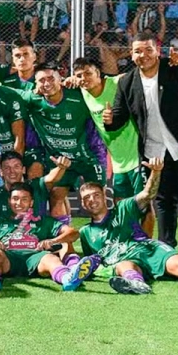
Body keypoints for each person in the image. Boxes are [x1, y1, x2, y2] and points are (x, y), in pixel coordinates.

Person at [104, 32, 178, 266]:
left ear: (157, 50)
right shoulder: (126, 82)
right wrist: (109, 120)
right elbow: (119, 119)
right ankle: (167, 249)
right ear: (131, 55)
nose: (143, 55)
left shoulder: (177, 69)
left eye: (148, 50)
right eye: (137, 51)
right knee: (163, 202)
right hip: (154, 153)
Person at [78, 158, 178, 296]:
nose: (92, 200)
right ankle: (137, 284)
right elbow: (94, 262)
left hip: (149, 249)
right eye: (86, 198)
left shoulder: (123, 208)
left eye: (96, 195)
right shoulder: (85, 233)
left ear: (104, 196)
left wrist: (156, 172)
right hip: (127, 260)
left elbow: (147, 195)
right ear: (83, 204)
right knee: (124, 266)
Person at [71, 57, 150, 232]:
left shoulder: (117, 82)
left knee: (143, 204)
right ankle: (129, 243)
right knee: (121, 204)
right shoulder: (83, 91)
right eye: (79, 75)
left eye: (88, 73)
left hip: (136, 153)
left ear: (98, 73)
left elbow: (139, 75)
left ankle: (148, 247)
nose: (84, 78)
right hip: (117, 161)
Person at [21, 64, 107, 222]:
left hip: (90, 156)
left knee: (96, 198)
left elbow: (100, 86)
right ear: (36, 85)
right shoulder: (32, 99)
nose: (46, 83)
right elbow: (3, 93)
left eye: (50, 78)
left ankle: (105, 237)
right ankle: (65, 243)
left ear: (60, 79)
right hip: (62, 160)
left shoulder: (78, 94)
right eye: (41, 80)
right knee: (56, 195)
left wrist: (78, 80)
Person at [0, 182, 94, 291]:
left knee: (50, 258)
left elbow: (73, 233)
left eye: (24, 199)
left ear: (31, 202)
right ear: (9, 201)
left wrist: (53, 241)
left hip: (35, 257)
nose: (19, 203)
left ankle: (67, 279)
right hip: (8, 256)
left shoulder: (43, 221)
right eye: (15, 199)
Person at [0, 152, 71, 220]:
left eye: (16, 167)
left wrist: (61, 167)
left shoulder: (36, 185)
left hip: (38, 241)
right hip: (6, 242)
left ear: (23, 170)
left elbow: (52, 178)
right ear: (1, 172)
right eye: (7, 168)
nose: (12, 171)